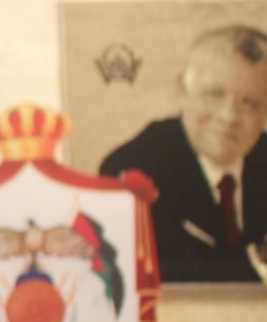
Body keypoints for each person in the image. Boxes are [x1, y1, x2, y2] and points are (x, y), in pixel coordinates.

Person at [99, 24, 267, 283]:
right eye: (214, 95)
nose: (229, 116)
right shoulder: (131, 168)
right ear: (182, 89)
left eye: (249, 103)